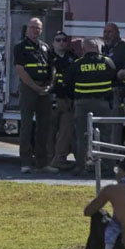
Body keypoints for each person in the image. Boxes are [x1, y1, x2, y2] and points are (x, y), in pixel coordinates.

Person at [66, 37, 117, 176]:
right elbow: (114, 80)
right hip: (103, 104)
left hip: (82, 104)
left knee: (82, 135)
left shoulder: (77, 64)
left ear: (83, 49)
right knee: (105, 136)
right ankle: (107, 167)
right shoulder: (108, 62)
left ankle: (81, 166)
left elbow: (68, 84)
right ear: (98, 48)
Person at [13, 17, 58, 175]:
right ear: (27, 29)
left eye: (38, 28)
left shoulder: (45, 47)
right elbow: (21, 70)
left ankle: (42, 163)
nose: (35, 31)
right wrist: (35, 87)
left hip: (44, 90)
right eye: (32, 27)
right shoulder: (20, 47)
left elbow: (52, 68)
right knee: (26, 126)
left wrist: (49, 86)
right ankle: (25, 163)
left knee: (44, 127)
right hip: (29, 89)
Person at [48, 31, 78, 170]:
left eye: (64, 40)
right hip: (50, 99)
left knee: (65, 132)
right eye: (58, 40)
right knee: (49, 131)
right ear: (53, 42)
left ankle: (59, 159)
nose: (61, 42)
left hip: (67, 101)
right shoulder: (46, 57)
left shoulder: (73, 58)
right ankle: (47, 159)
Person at [102, 23, 125, 147]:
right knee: (106, 124)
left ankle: (113, 154)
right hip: (106, 92)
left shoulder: (124, 49)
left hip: (118, 92)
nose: (106, 35)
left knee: (114, 124)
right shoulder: (105, 49)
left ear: (117, 34)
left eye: (110, 32)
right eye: (105, 32)